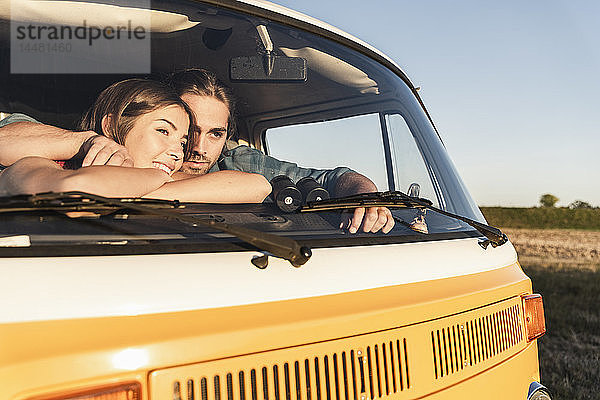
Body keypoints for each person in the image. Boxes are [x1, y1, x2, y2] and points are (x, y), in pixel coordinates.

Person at [0, 69, 394, 233]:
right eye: (169, 130)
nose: (192, 148)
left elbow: (268, 184)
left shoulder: (234, 162)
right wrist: (83, 143)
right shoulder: (55, 153)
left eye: (213, 133)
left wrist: (365, 195)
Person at [0, 79, 271, 202]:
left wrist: (141, 189)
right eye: (163, 131)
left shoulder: (153, 174)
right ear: (111, 127)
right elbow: (79, 188)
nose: (179, 152)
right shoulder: (39, 164)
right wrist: (153, 181)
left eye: (181, 141)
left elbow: (256, 185)